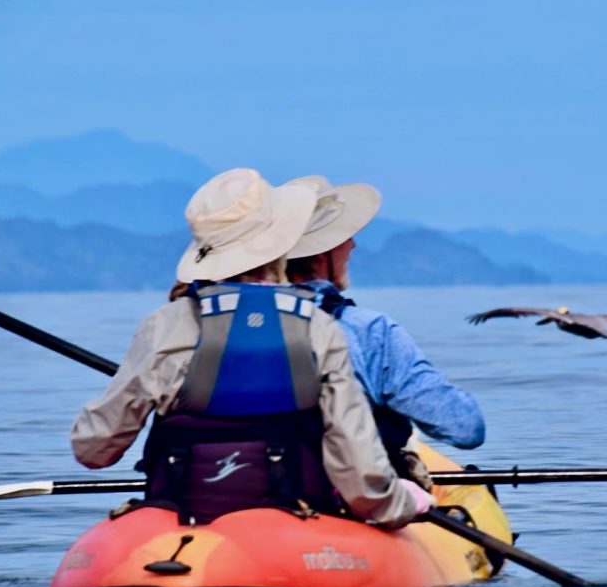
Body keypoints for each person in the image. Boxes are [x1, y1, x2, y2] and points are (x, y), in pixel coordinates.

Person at [71, 168, 433, 528]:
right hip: (296, 516)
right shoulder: (316, 327)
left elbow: (93, 449)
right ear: (282, 244)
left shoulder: (162, 327)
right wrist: (403, 503)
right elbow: (359, 472)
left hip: (184, 516)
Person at [285, 176, 485, 471]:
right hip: (351, 499)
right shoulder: (369, 332)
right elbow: (465, 429)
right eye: (343, 237)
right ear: (320, 254)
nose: (352, 244)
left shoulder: (221, 326)